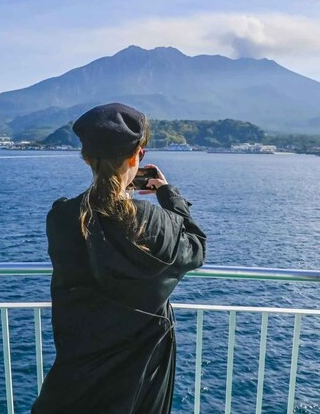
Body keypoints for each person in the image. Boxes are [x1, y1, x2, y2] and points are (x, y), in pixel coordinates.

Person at [32, 103, 207, 414]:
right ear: (137, 156)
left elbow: (101, 223)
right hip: (138, 389)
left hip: (73, 386)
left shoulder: (61, 218)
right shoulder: (155, 224)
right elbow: (195, 248)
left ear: (86, 158)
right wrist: (168, 194)